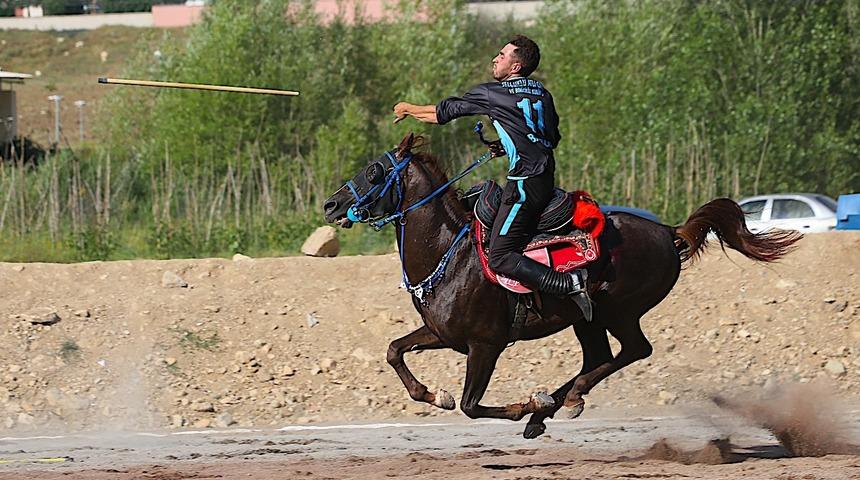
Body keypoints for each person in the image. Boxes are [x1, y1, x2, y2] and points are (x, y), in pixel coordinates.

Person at [393, 35, 591, 319]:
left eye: (502, 55)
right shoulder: (542, 93)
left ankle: (568, 283)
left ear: (515, 66)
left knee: (499, 256)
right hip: (544, 179)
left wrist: (408, 109)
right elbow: (550, 137)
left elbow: (441, 113)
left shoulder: (495, 93)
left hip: (524, 187)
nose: (495, 59)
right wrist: (509, 144)